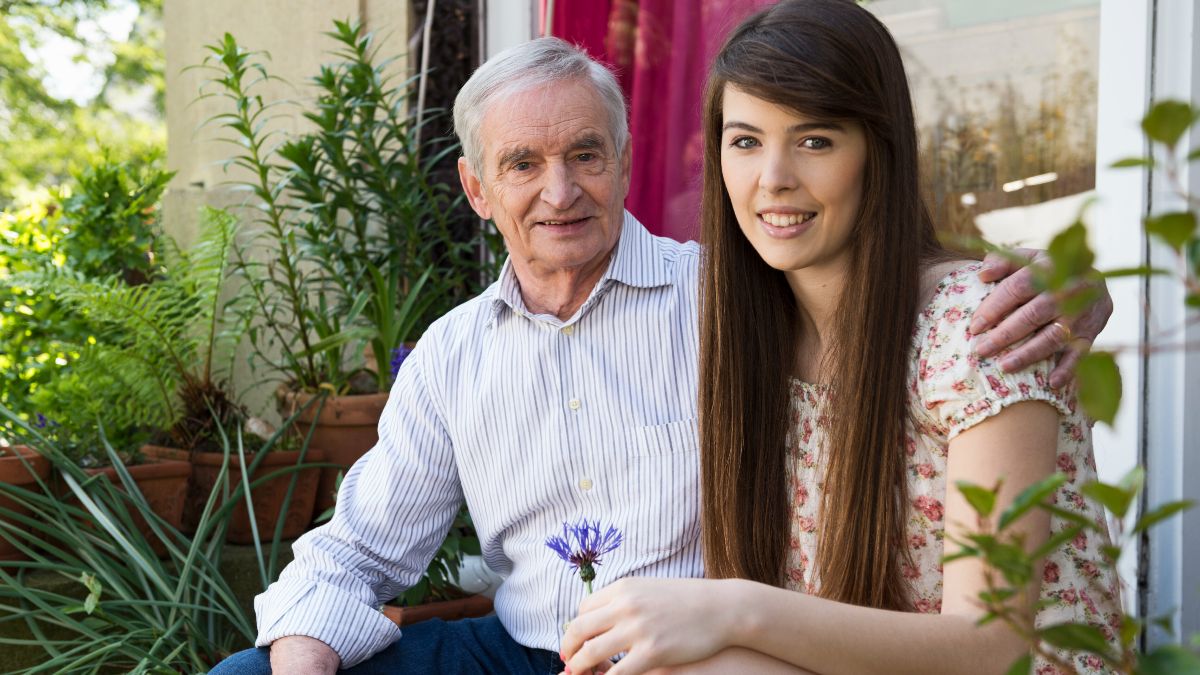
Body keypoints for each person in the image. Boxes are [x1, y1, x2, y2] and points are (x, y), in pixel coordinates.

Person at [211, 32, 1112, 674]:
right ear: (477, 189)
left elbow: (890, 292)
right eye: (523, 164)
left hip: (707, 651)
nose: (560, 192)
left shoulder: (732, 295)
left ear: (628, 160)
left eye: (586, 155)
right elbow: (354, 550)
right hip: (526, 649)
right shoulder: (452, 357)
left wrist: (1069, 287)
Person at [558, 2, 1121, 674]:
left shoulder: (977, 328)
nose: (773, 178)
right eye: (745, 142)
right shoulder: (743, 327)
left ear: (877, 151)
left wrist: (733, 608)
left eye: (815, 140)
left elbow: (992, 645)